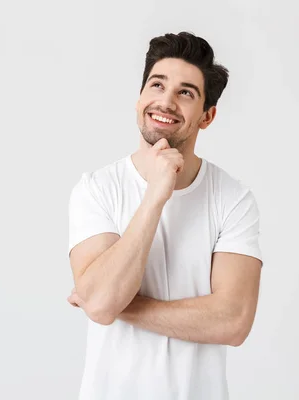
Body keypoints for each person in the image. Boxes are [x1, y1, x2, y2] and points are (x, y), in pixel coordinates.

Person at [66, 31, 263, 400]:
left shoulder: (233, 200)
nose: (166, 101)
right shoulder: (96, 189)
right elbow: (100, 301)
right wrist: (156, 195)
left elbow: (233, 322)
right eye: (157, 85)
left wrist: (115, 307)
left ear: (207, 116)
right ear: (140, 98)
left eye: (186, 92)